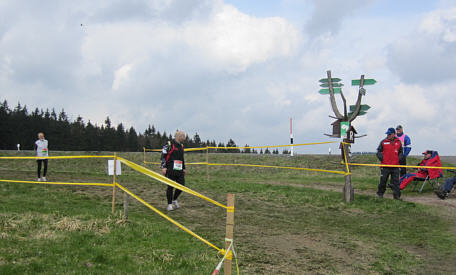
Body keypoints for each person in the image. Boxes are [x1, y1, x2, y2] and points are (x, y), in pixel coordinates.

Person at [161, 131, 187, 211]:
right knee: (170, 187)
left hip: (179, 170)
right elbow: (163, 156)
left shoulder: (181, 146)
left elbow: (181, 158)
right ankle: (169, 205)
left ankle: (174, 199)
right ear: (178, 136)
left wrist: (184, 168)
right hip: (170, 169)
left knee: (181, 186)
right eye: (183, 136)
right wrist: (163, 167)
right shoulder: (169, 144)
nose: (185, 137)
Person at [376, 127, 404, 200]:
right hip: (385, 166)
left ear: (394, 134)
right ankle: (380, 194)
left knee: (396, 182)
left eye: (389, 134)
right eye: (387, 134)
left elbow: (401, 152)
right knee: (383, 181)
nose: (388, 135)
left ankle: (397, 196)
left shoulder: (398, 142)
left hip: (395, 166)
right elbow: (378, 152)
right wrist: (382, 158)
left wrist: (399, 158)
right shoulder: (383, 141)